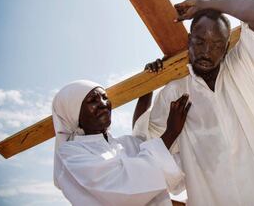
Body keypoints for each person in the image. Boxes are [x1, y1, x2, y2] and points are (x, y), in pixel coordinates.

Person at [133, 0, 254, 205]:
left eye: (216, 45)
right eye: (199, 42)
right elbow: (143, 142)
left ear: (227, 47)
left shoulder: (246, 67)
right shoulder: (175, 93)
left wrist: (207, 3)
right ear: (189, 40)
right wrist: (148, 86)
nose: (206, 51)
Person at [52, 80, 191, 206]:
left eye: (105, 97)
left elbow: (171, 160)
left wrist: (149, 83)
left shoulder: (127, 143)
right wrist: (171, 132)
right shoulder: (70, 155)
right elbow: (125, 190)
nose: (103, 104)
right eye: (93, 100)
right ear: (74, 113)